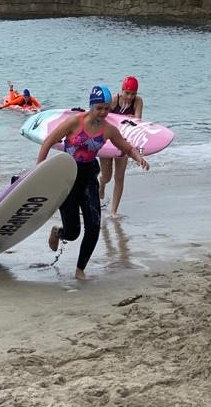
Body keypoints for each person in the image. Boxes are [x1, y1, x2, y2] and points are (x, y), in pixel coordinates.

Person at [38, 85, 149, 280]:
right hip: (68, 176)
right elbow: (48, 141)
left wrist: (138, 157)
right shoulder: (74, 122)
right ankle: (58, 232)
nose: (103, 112)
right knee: (73, 232)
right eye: (99, 108)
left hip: (89, 175)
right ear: (91, 106)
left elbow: (126, 147)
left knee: (94, 226)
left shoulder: (108, 130)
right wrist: (39, 169)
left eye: (106, 108)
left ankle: (80, 270)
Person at [100, 76, 144, 218]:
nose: (130, 97)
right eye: (127, 93)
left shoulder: (138, 101)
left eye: (133, 94)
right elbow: (102, 117)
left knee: (119, 176)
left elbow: (137, 122)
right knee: (107, 176)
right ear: (122, 90)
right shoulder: (114, 100)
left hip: (124, 142)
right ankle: (101, 184)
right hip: (108, 141)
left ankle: (114, 211)